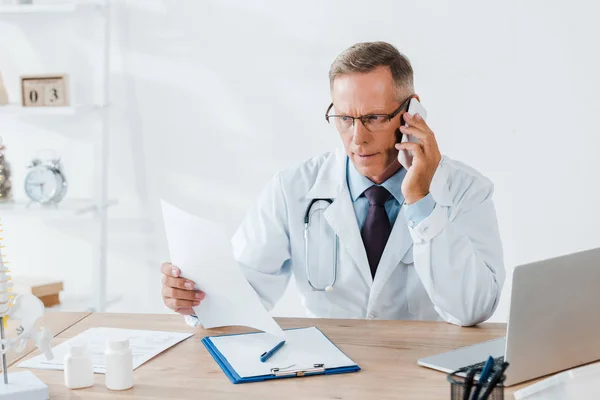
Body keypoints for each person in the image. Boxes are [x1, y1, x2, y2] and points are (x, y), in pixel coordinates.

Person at [160, 41, 505, 327]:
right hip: (328, 372)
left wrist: (421, 201)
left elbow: (471, 310)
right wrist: (193, 297)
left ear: (412, 111)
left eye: (373, 118)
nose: (357, 138)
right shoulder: (293, 189)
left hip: (422, 373)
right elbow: (237, 298)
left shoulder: (465, 189)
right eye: (344, 118)